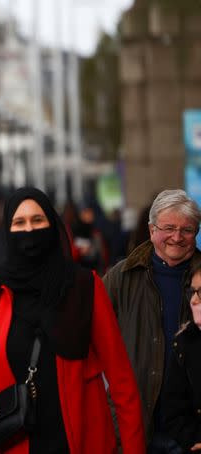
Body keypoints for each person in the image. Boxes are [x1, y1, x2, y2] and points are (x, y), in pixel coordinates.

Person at [0, 187, 145, 454]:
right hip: (17, 442)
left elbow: (121, 379)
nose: (29, 230)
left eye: (37, 220)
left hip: (81, 440)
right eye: (19, 222)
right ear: (7, 231)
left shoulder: (84, 286)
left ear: (52, 225)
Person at [104, 189, 201, 451]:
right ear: (151, 230)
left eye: (188, 230)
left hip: (191, 433)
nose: (177, 237)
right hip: (133, 427)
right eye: (168, 228)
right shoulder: (120, 278)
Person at [162, 265, 201, 452]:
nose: (194, 300)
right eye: (192, 292)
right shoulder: (184, 343)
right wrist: (193, 439)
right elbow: (172, 410)